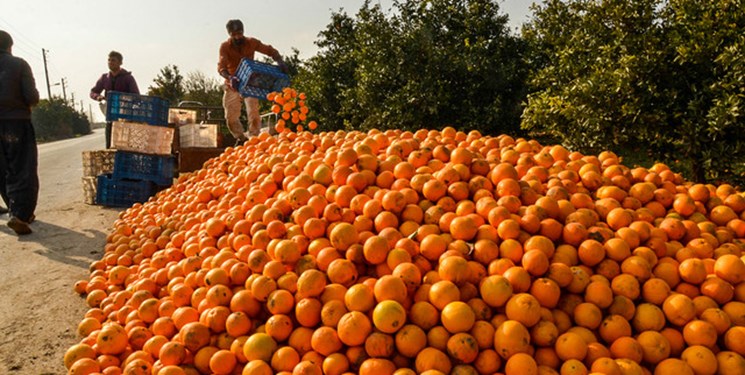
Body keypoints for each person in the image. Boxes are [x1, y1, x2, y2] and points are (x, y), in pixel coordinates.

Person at [218, 19, 287, 145]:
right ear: (230, 34)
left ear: (243, 31)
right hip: (233, 83)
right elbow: (221, 66)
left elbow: (269, 50)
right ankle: (240, 138)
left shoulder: (251, 42)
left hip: (250, 82)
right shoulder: (225, 47)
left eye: (240, 33)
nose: (238, 36)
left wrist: (280, 61)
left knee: (253, 112)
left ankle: (254, 138)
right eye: (234, 34)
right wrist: (229, 77)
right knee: (231, 116)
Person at [0, 30, 40, 235]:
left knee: (3, 168)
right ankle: (21, 214)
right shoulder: (19, 64)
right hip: (15, 122)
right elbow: (31, 96)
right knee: (22, 168)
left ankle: (13, 210)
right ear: (10, 46)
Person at [90, 51, 139, 149]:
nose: (110, 62)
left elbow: (136, 95)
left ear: (120, 63)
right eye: (109, 60)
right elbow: (93, 92)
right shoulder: (104, 78)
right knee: (109, 146)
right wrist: (98, 97)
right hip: (110, 117)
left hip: (125, 119)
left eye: (113, 60)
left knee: (125, 146)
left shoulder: (128, 78)